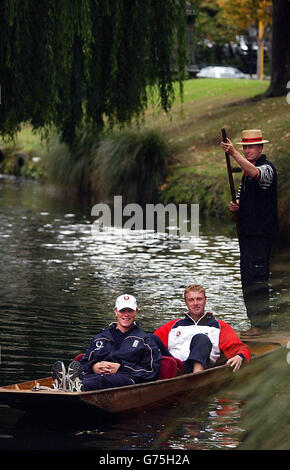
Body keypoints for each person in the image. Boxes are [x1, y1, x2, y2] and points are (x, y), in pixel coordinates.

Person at [220, 129, 279, 337]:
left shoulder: (267, 169)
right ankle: (257, 323)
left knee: (257, 280)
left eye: (251, 147)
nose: (247, 151)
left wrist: (233, 153)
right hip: (247, 235)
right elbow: (241, 198)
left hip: (260, 236)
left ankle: (262, 326)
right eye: (245, 147)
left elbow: (257, 174)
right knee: (248, 280)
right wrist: (236, 206)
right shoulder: (245, 174)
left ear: (261, 148)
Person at [52, 294, 162, 391]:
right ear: (115, 311)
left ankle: (72, 386)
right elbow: (83, 363)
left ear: (136, 312)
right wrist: (94, 366)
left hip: (127, 379)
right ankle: (66, 384)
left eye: (130, 311)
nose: (126, 315)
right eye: (122, 311)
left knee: (104, 380)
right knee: (94, 378)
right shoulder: (100, 338)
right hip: (95, 376)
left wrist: (121, 367)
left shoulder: (146, 340)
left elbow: (151, 371)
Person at [154, 284, 251, 374]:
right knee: (151, 338)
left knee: (201, 338)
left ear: (205, 300)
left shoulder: (219, 326)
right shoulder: (173, 325)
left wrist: (240, 356)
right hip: (175, 366)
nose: (195, 303)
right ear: (186, 302)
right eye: (191, 300)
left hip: (202, 367)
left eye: (199, 299)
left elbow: (240, 348)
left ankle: (196, 376)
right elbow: (151, 342)